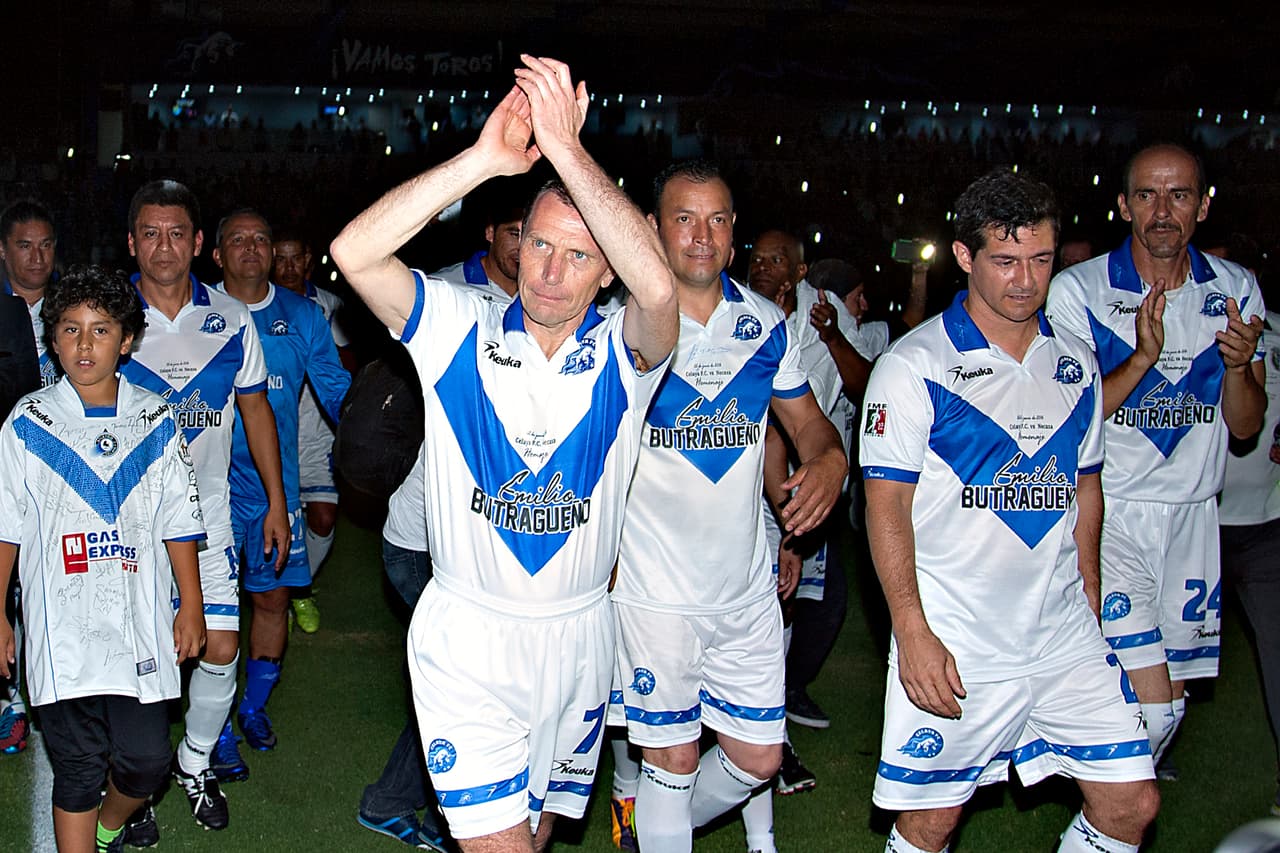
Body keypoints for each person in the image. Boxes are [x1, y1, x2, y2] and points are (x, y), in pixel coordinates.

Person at [331, 56, 677, 853]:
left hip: (581, 638)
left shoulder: (628, 355)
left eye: (578, 255)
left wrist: (568, 150)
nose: (548, 271)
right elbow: (356, 253)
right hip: (468, 639)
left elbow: (659, 294)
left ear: (607, 273)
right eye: (538, 244)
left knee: (536, 831)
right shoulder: (458, 327)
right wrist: (485, 160)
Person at [862, 169, 1159, 853]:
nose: (1025, 280)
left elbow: (1086, 484)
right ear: (964, 257)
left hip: (1061, 638)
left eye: (1041, 260)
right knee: (932, 823)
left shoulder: (1075, 365)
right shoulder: (915, 366)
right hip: (960, 642)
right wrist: (911, 628)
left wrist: (1089, 581)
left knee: (1131, 802)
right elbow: (886, 504)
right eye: (1005, 260)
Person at [609, 162, 846, 853]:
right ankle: (657, 830)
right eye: (684, 217)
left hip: (742, 588)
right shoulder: (624, 324)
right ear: (654, 228)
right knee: (673, 760)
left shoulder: (766, 324)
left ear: (733, 230)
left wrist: (830, 458)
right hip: (654, 588)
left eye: (716, 219)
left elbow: (807, 426)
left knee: (758, 758)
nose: (701, 235)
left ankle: (651, 836)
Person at [1046, 143, 1266, 769]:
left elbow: (1246, 426)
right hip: (1114, 516)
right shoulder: (1078, 292)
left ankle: (1102, 803)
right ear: (1123, 206)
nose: (1163, 211)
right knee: (1155, 705)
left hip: (1195, 520)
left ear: (1203, 205)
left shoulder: (1235, 289)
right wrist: (1141, 358)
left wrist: (1238, 366)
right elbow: (1072, 419)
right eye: (1147, 195)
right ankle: (1107, 812)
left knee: (1171, 701)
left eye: (1179, 195)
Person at [0, 265, 206, 853]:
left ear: (128, 339)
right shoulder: (27, 422)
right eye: (70, 329)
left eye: (100, 330)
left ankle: (110, 826)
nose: (84, 345)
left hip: (138, 626)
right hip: (59, 629)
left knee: (147, 763)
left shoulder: (157, 418)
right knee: (77, 770)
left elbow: (179, 519)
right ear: (53, 338)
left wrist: (190, 602)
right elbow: (5, 529)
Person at [118, 179, 289, 840]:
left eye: (176, 233)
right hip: (129, 523)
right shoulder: (109, 315)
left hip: (210, 514)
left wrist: (276, 500)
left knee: (221, 642)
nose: (164, 246)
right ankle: (137, 783)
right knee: (143, 654)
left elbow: (256, 410)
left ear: (197, 243)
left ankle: (194, 763)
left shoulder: (230, 319)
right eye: (150, 233)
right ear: (132, 242)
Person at [357, 198, 523, 852]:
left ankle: (435, 802)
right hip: (424, 534)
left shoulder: (555, 305)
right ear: (493, 231)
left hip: (484, 538)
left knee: (472, 680)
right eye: (518, 232)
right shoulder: (450, 295)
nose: (530, 252)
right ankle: (434, 809)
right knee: (470, 683)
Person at [213, 209, 350, 755]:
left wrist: (386, 438)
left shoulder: (304, 316)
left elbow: (337, 393)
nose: (251, 248)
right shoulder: (195, 312)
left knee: (271, 601)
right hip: (208, 489)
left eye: (261, 239)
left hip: (276, 490)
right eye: (238, 240)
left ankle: (252, 708)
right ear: (216, 253)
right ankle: (214, 722)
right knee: (208, 606)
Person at [272, 229, 353, 633]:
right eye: (279, 257)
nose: (288, 267)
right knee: (273, 520)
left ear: (308, 260)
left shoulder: (329, 305)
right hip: (270, 433)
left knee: (321, 518)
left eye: (295, 258)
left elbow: (346, 366)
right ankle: (277, 595)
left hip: (319, 430)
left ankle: (299, 589)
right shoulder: (254, 304)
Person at [0, 290, 39, 756]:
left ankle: (11, 697)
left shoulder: (8, 312)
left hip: (5, 466)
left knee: (13, 580)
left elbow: (24, 392)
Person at [0, 200, 58, 386]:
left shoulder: (74, 307)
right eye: (25, 246)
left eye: (45, 245)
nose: (37, 258)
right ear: (2, 249)